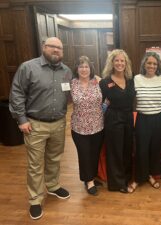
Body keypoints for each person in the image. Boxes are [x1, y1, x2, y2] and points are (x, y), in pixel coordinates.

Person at [9, 37, 72, 220]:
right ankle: (35, 200)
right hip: (34, 124)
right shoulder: (28, 67)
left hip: (59, 123)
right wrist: (21, 119)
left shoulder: (66, 71)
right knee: (35, 164)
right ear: (44, 47)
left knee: (54, 158)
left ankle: (52, 186)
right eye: (52, 46)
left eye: (59, 48)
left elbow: (71, 92)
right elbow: (17, 93)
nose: (56, 50)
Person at [131, 52, 161, 190]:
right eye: (149, 63)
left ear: (157, 65)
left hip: (160, 118)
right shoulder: (136, 78)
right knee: (141, 149)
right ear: (144, 64)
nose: (151, 66)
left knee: (156, 149)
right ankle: (138, 178)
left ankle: (151, 176)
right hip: (143, 118)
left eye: (154, 63)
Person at [99, 49, 135, 193]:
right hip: (113, 118)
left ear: (126, 63)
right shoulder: (105, 82)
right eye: (117, 61)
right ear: (112, 63)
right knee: (115, 152)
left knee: (127, 150)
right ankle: (117, 184)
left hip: (128, 117)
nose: (120, 63)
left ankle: (126, 179)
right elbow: (100, 103)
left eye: (122, 61)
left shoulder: (131, 80)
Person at [70, 56, 104, 196]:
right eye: (81, 66)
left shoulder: (98, 81)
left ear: (91, 69)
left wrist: (105, 107)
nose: (84, 69)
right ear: (76, 69)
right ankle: (88, 181)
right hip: (79, 127)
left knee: (94, 154)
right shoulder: (71, 83)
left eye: (86, 66)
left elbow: (108, 95)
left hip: (98, 125)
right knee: (84, 154)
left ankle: (92, 177)